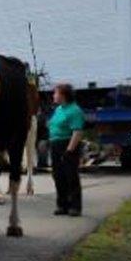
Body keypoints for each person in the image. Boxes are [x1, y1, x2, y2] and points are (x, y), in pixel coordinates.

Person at [46, 83, 84, 218]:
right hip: (55, 144)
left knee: (71, 176)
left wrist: (69, 150)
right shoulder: (59, 109)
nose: (53, 96)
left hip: (67, 144)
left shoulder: (74, 111)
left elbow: (77, 131)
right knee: (58, 176)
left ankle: (75, 206)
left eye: (55, 93)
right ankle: (62, 205)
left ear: (63, 95)